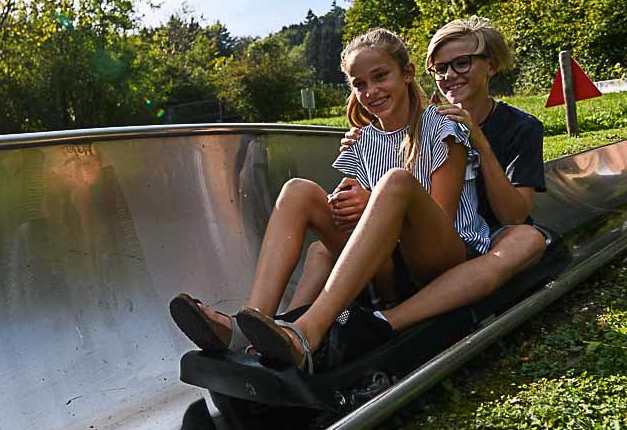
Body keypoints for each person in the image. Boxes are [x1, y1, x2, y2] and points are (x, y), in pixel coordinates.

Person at [171, 28, 490, 371]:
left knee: (396, 182)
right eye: (359, 84)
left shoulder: (443, 129)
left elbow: (440, 216)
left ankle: (308, 333)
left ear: (407, 73)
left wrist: (370, 202)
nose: (370, 91)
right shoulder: (362, 142)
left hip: (444, 259)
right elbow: (351, 216)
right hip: (388, 271)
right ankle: (249, 325)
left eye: (380, 76)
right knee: (298, 190)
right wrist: (343, 205)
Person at [313, 16, 551, 335]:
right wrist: (368, 144)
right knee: (319, 249)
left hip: (485, 235)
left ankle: (385, 322)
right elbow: (397, 181)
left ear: (490, 67)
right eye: (440, 69)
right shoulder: (426, 123)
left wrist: (479, 142)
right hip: (423, 236)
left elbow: (514, 215)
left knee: (529, 238)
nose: (450, 75)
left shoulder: (520, 127)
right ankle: (303, 321)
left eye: (462, 64)